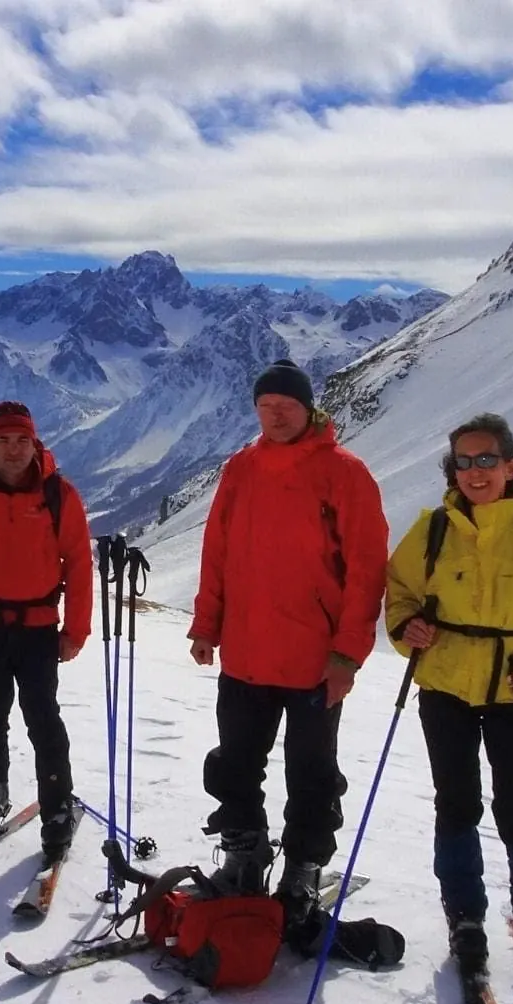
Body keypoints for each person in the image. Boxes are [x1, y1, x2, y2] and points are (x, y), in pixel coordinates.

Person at [383, 413, 513, 985]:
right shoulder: (431, 531)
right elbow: (399, 593)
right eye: (463, 462)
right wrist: (407, 629)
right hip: (445, 685)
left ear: (511, 466)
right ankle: (465, 916)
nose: (474, 472)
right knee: (456, 806)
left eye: (486, 460)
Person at [188, 359, 389, 924]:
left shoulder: (344, 474)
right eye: (265, 407)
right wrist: (207, 624)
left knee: (312, 774)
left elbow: (366, 571)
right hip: (246, 654)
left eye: (286, 407)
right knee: (236, 765)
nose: (275, 416)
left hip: (312, 662)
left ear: (308, 409)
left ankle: (303, 868)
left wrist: (347, 655)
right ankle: (244, 858)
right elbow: (218, 552)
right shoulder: (241, 469)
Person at [0, 401, 94, 861]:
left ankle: (57, 805)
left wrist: (77, 630)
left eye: (21, 440)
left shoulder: (58, 494)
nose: (13, 450)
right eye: (3, 441)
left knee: (43, 718)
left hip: (38, 629)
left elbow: (80, 563)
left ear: (35, 442)